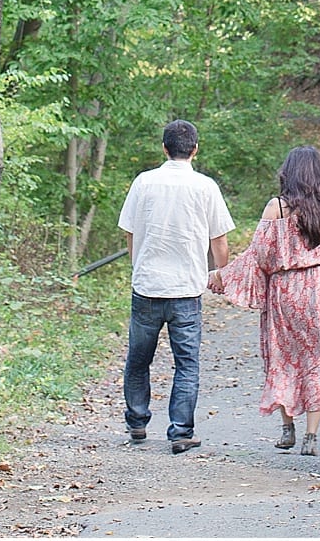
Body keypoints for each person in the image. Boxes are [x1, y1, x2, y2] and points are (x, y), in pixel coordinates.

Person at [212, 145, 320, 457]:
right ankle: (311, 435)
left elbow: (258, 255)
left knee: (284, 357)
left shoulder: (277, 208)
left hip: (285, 291)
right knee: (318, 359)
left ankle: (287, 429)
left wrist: (223, 275)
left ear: (288, 174)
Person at [117, 118, 235, 454]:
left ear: (164, 148)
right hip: (186, 289)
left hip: (148, 286)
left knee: (139, 358)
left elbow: (130, 231)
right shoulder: (206, 187)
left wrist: (137, 263)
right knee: (187, 362)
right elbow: (219, 240)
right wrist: (218, 273)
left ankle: (137, 422)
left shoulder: (144, 182)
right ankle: (181, 431)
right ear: (195, 150)